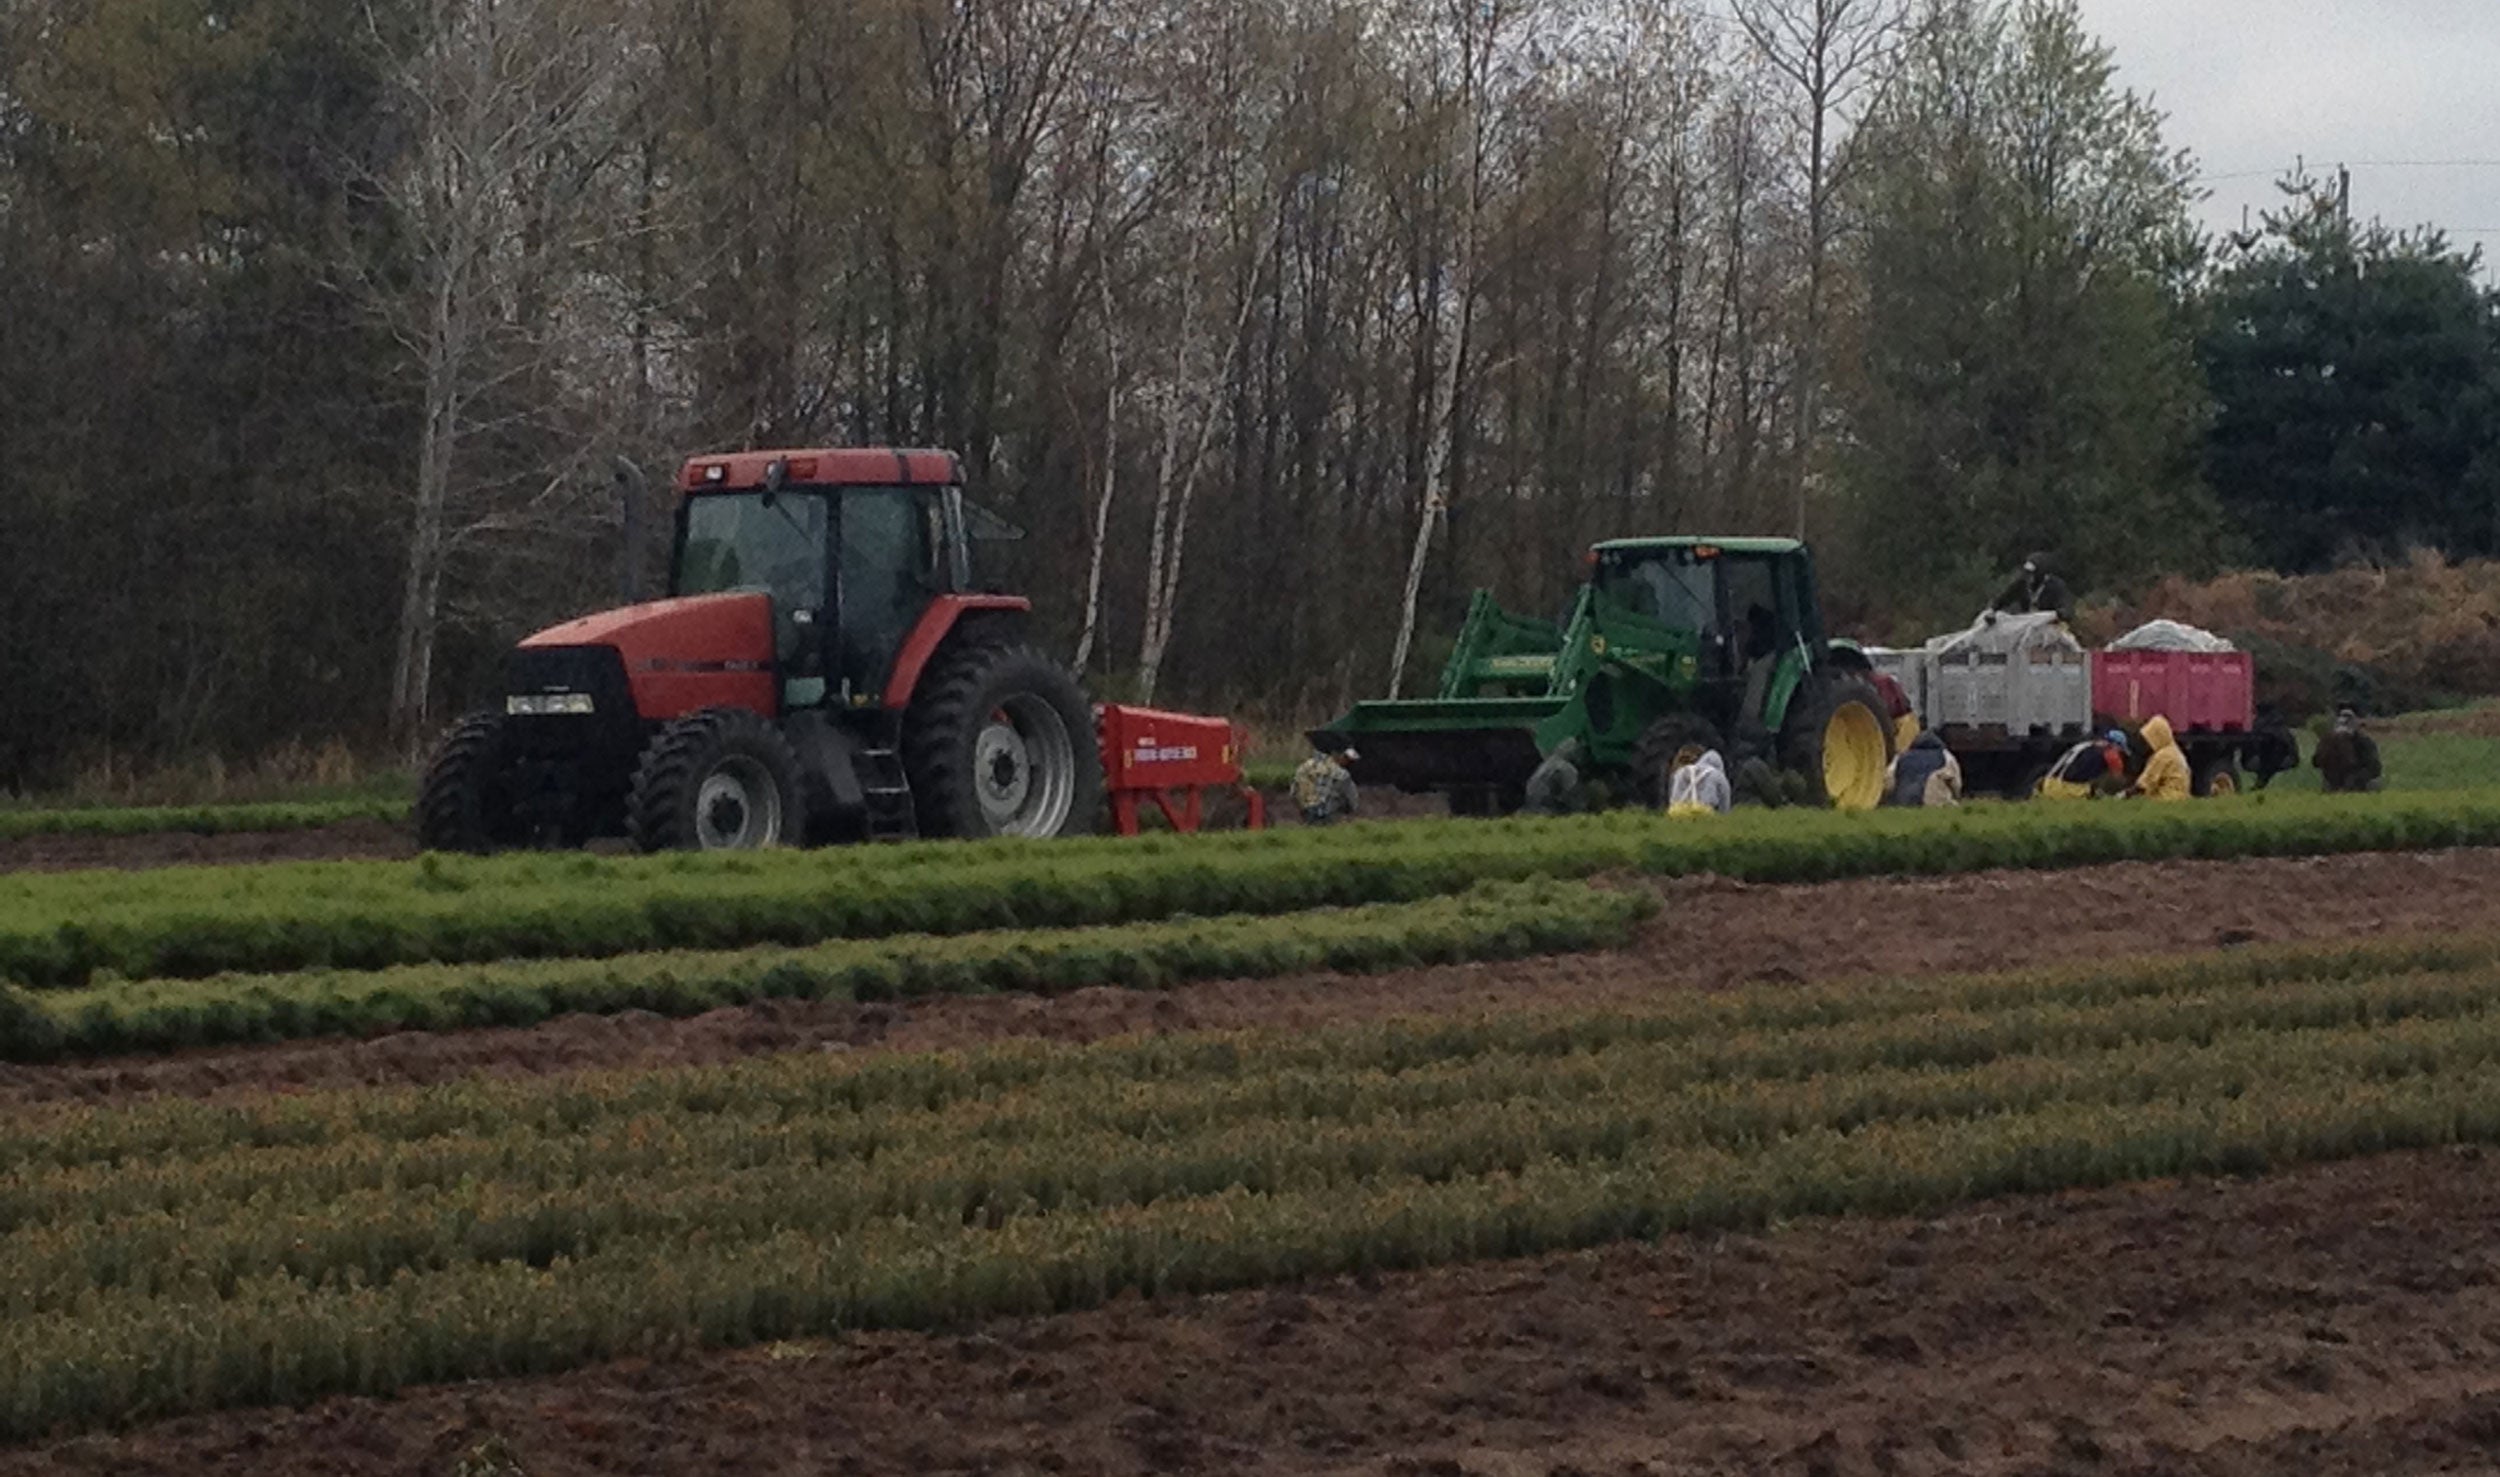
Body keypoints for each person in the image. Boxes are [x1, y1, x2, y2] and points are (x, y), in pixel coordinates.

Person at [2037, 729, 2131, 800]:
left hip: (2049, 784)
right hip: (2068, 790)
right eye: (2120, 750)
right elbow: (2116, 777)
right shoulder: (2109, 753)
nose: (2119, 754)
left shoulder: (2083, 746)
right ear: (2114, 745)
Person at [1884, 729, 1964, 808]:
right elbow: (1956, 783)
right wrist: (1957, 796)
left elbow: (1888, 781)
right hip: (1934, 803)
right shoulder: (1945, 756)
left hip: (1903, 803)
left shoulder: (1901, 757)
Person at [2313, 708, 2384, 793]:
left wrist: (2354, 780)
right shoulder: (2328, 741)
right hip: (2333, 780)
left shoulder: (2364, 742)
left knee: (2373, 785)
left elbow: (2374, 768)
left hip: (2359, 780)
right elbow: (2317, 762)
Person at [1990, 553, 2074, 624]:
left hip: (2049, 626)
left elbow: (2065, 603)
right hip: (2026, 625)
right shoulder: (2022, 583)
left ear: (2040, 573)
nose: (2028, 576)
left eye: (2031, 574)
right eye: (2027, 572)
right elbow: (2004, 598)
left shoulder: (2056, 586)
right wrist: (1993, 610)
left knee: (2068, 643)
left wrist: (2062, 612)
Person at [1291, 745, 1360, 824]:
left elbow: (1293, 792)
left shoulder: (1303, 767)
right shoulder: (1342, 774)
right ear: (1337, 754)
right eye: (1346, 758)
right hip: (1330, 816)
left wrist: (1302, 808)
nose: (1347, 762)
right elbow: (1352, 801)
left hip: (1307, 812)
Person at [2127, 715, 2190, 801]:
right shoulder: (2175, 752)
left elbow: (2145, 783)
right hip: (2181, 798)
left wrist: (2125, 795)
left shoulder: (2162, 756)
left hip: (2166, 798)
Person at [1522, 737, 1590, 816]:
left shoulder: (1547, 763)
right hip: (1547, 811)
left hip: (1531, 808)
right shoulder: (1565, 768)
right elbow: (1574, 796)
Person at [2243, 703, 2302, 791]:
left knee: (2267, 759)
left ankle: (2261, 782)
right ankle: (2261, 781)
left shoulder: (2258, 725)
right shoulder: (2280, 725)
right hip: (2285, 759)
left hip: (2271, 759)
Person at [1667, 747, 1732, 817]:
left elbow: (1673, 795)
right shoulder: (1718, 775)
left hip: (1679, 812)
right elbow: (1724, 800)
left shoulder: (1681, 772)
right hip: (1703, 812)